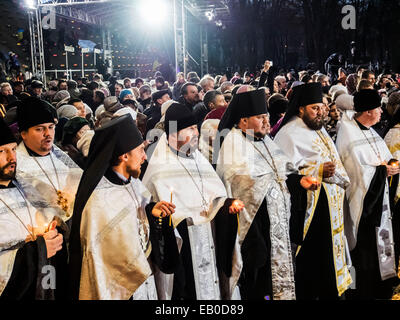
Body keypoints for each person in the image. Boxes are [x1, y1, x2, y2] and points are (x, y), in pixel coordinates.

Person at [216, 89, 319, 300]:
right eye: (260, 117)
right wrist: (266, 180)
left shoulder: (266, 141)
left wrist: (299, 180)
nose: (266, 121)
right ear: (243, 121)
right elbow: (237, 182)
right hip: (255, 227)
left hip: (279, 223)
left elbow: (283, 173)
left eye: (267, 116)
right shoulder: (234, 144)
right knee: (259, 282)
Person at [68, 114, 179, 299]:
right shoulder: (98, 200)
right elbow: (102, 259)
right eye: (141, 150)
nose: (145, 157)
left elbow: (137, 221)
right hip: (119, 288)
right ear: (124, 155)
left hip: (144, 279)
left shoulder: (134, 182)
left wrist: (151, 211)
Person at [142, 103, 244, 300]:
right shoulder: (160, 170)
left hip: (211, 240)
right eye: (190, 129)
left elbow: (215, 197)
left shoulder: (198, 158)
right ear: (173, 134)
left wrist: (226, 205)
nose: (196, 132)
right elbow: (159, 223)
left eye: (196, 127)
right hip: (185, 250)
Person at [274, 83, 353, 300]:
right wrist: (318, 170)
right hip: (310, 211)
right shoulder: (288, 134)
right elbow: (282, 175)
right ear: (300, 109)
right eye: (314, 108)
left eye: (322, 108)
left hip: (329, 207)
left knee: (330, 255)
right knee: (315, 261)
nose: (320, 113)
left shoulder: (319, 129)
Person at [336, 89, 399, 299]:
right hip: (364, 210)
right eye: (378, 109)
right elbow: (357, 175)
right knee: (366, 254)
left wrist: (390, 164)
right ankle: (365, 291)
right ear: (368, 112)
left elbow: (382, 157)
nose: (381, 112)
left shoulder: (371, 131)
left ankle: (383, 284)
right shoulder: (349, 136)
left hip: (380, 203)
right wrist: (383, 171)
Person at [0, 119, 64, 300]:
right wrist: (39, 250)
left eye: (13, 149)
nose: (12, 158)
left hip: (44, 282)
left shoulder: (28, 187)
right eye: (2, 151)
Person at [16, 97, 82, 221]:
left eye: (51, 127)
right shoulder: (16, 165)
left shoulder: (59, 154)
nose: (48, 134)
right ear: (24, 134)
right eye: (40, 129)